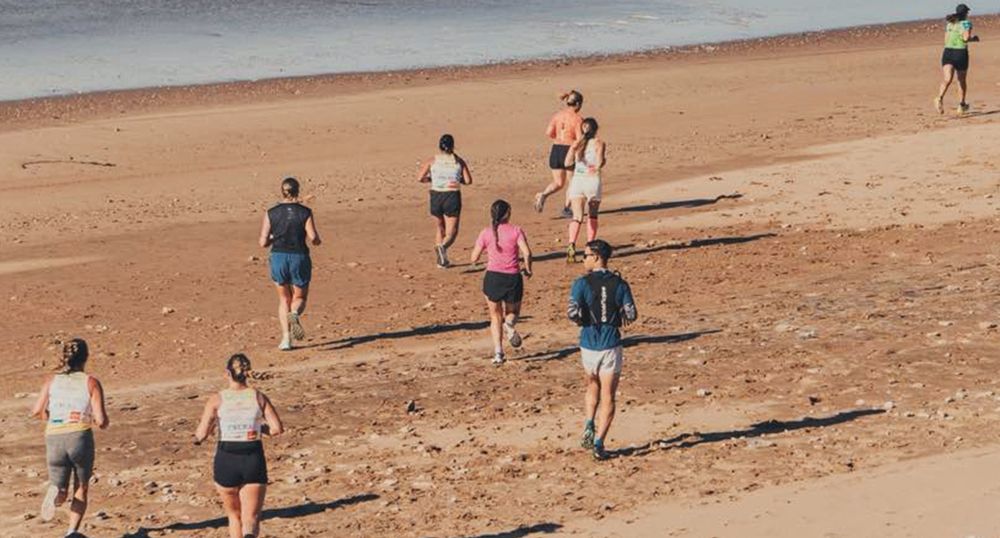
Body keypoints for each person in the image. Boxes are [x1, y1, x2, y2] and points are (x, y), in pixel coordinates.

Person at [194, 354, 284, 538]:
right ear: (247, 373)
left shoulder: (217, 399)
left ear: (227, 373)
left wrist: (207, 431)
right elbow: (276, 429)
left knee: (234, 516)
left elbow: (201, 434)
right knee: (251, 518)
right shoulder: (258, 397)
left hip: (226, 459)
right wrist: (259, 427)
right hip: (253, 458)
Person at [30, 338, 110, 534]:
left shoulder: (51, 380)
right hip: (79, 437)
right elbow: (101, 420)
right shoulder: (91, 382)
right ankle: (71, 532)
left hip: (54, 437)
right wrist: (99, 422)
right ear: (86, 358)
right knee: (81, 487)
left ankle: (56, 494)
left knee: (61, 488)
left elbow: (36, 410)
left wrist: (49, 416)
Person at [567, 240, 638, 460]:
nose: (583, 259)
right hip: (610, 344)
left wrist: (582, 317)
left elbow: (572, 312)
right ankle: (599, 442)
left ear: (597, 257)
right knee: (609, 395)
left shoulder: (581, 283)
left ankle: (589, 421)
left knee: (591, 384)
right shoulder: (620, 284)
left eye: (586, 255)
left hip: (588, 343)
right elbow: (631, 313)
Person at [259, 177, 322, 350]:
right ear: (298, 191)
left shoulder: (271, 212)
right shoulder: (305, 212)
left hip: (278, 257)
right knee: (299, 297)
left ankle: (286, 339)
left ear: (282, 191)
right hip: (298, 257)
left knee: (283, 298)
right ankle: (294, 314)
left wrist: (274, 237)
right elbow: (314, 237)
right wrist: (317, 242)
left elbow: (262, 242)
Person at [470, 200, 533, 365]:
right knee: (512, 312)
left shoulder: (485, 233)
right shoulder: (516, 230)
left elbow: (473, 258)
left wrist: (483, 260)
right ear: (507, 214)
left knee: (494, 316)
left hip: (493, 278)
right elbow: (527, 252)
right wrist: (528, 268)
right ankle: (510, 325)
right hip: (512, 277)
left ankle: (498, 352)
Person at [418, 134, 473, 268]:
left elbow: (420, 178)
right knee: (451, 232)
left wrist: (431, 179)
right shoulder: (458, 161)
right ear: (453, 146)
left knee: (439, 228)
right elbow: (468, 180)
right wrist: (456, 179)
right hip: (451, 196)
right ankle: (442, 248)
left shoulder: (432, 160)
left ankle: (441, 261)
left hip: (436, 195)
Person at [535, 90, 584, 218]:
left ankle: (543, 195)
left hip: (556, 149)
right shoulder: (578, 119)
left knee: (558, 182)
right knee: (572, 182)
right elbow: (579, 139)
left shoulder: (557, 115)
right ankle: (567, 208)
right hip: (569, 150)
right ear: (578, 104)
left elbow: (549, 133)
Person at [563, 118, 606, 263]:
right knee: (592, 215)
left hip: (578, 181)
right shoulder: (599, 143)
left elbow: (567, 162)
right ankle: (589, 247)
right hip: (592, 181)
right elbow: (599, 162)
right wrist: (598, 164)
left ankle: (571, 244)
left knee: (577, 217)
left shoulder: (577, 144)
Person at [935, 4, 979, 115]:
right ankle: (961, 105)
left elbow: (945, 40)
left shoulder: (950, 24)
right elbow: (965, 39)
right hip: (960, 53)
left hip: (948, 52)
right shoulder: (966, 23)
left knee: (947, 79)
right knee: (961, 80)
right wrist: (974, 39)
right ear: (965, 13)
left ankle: (939, 98)